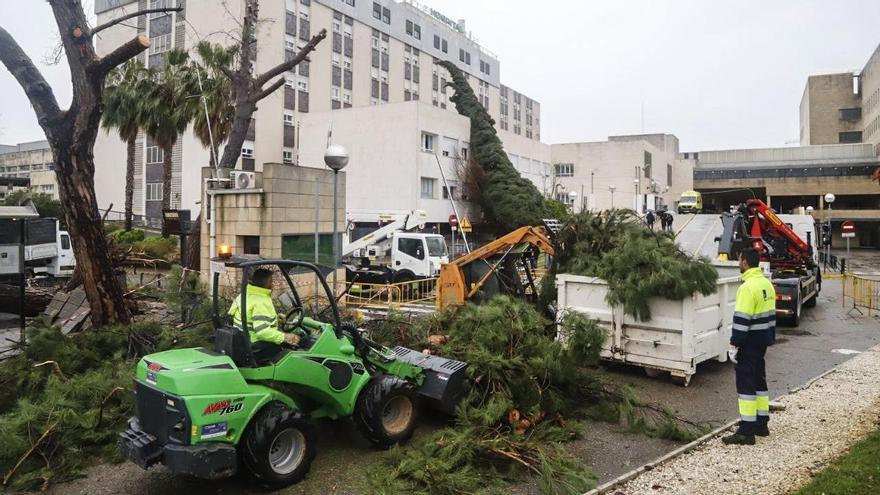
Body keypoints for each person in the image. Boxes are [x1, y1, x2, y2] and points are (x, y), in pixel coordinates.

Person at [722, 248, 775, 446]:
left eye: (739, 259)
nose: (738, 263)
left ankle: (746, 431)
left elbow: (742, 320)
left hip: (749, 342)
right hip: (762, 341)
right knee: (759, 381)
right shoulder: (766, 284)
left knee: (745, 385)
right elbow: (770, 316)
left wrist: (735, 343)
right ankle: (762, 424)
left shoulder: (747, 287)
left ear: (745, 263)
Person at [228, 268, 300, 362]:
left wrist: (275, 319)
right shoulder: (261, 302)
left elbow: (250, 317)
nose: (273, 284)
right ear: (267, 283)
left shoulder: (245, 295)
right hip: (255, 345)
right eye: (272, 281)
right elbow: (262, 332)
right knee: (292, 345)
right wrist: (285, 337)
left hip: (245, 340)